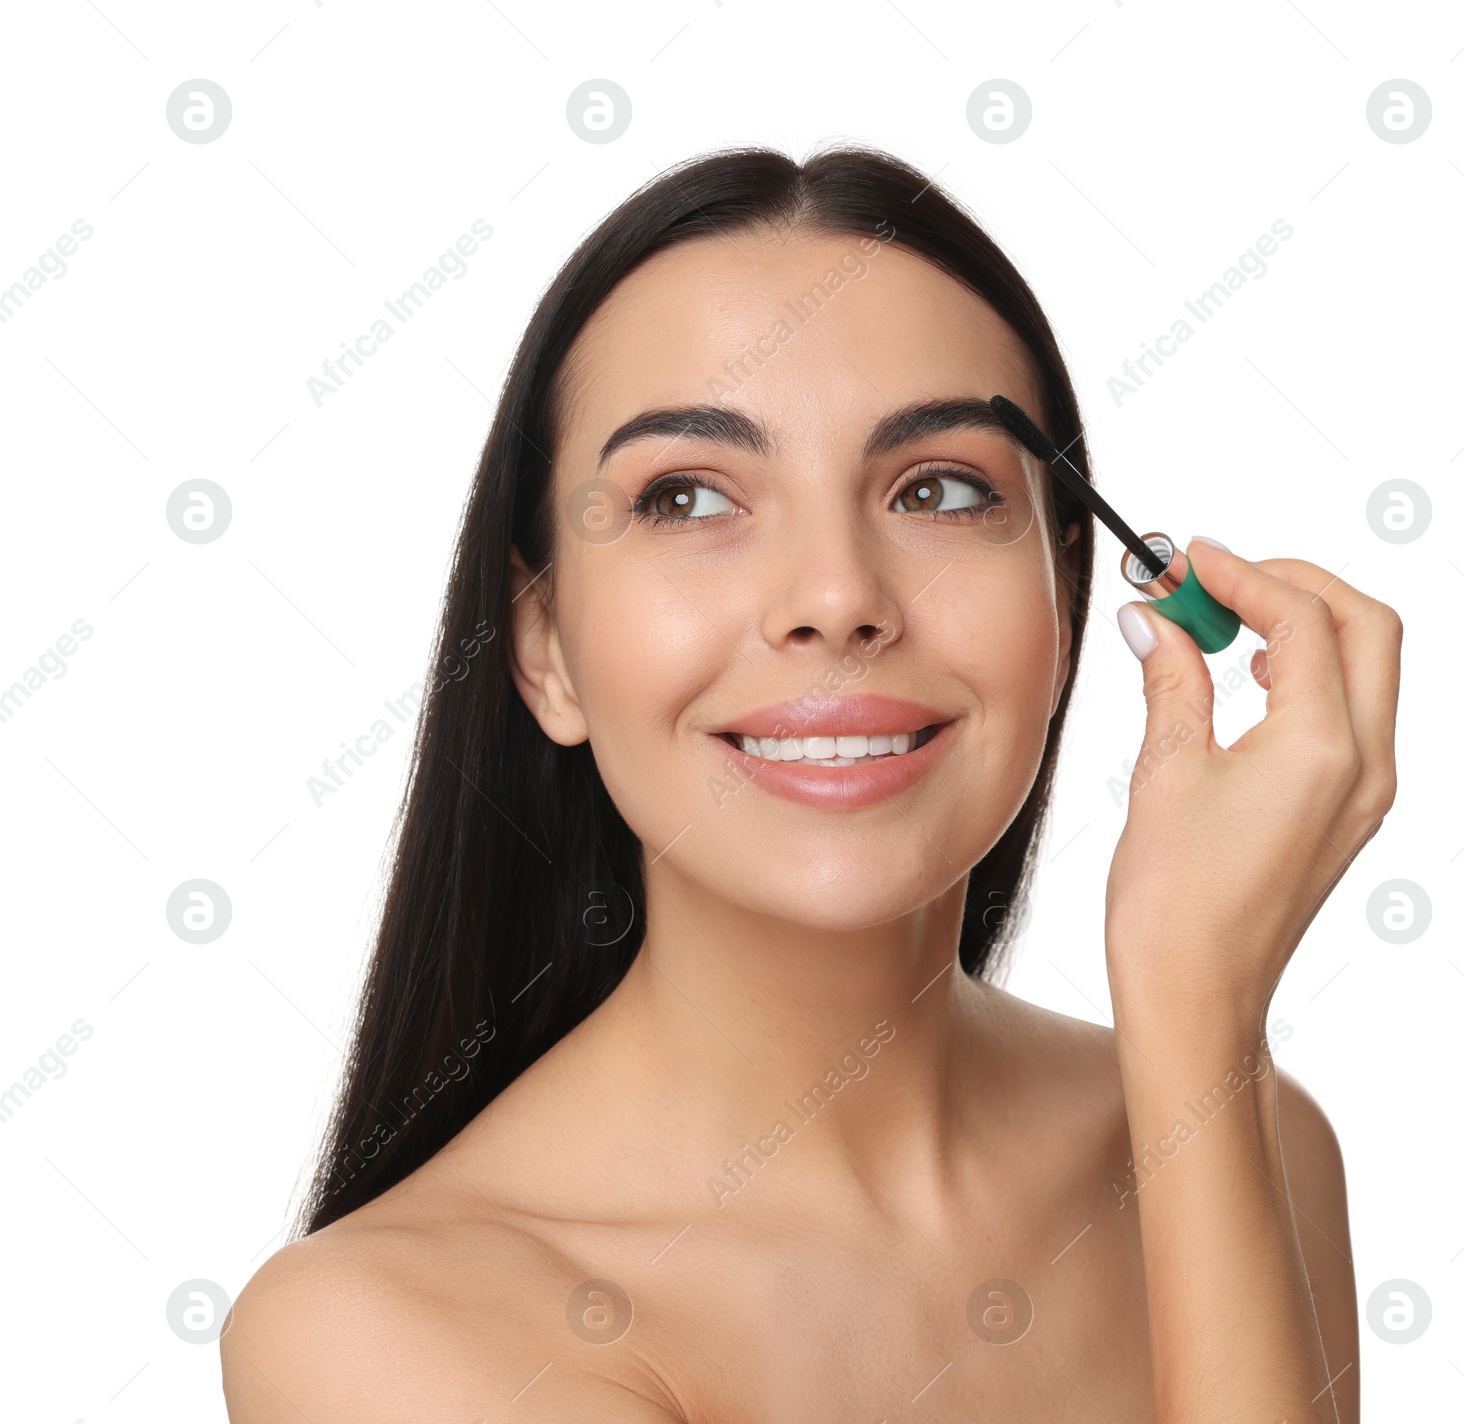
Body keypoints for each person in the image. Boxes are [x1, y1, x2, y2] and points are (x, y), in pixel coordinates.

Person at [221, 145, 1398, 1421]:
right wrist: (1196, 1021)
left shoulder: (1255, 1134)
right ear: (544, 646)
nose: (836, 596)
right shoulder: (377, 1336)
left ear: (1067, 601)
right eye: (684, 497)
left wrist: (1198, 1032)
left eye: (938, 489)